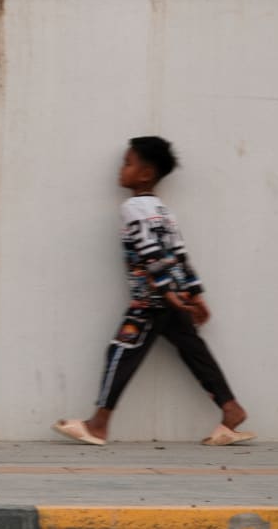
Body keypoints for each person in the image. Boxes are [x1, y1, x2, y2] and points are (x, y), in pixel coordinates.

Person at [53, 136, 255, 447]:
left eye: (128, 163)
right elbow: (179, 253)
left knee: (120, 353)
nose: (122, 169)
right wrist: (194, 293)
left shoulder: (133, 208)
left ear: (146, 174)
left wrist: (164, 290)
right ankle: (231, 411)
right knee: (195, 353)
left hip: (150, 300)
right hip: (172, 297)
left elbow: (149, 250)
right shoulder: (164, 211)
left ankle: (98, 424)